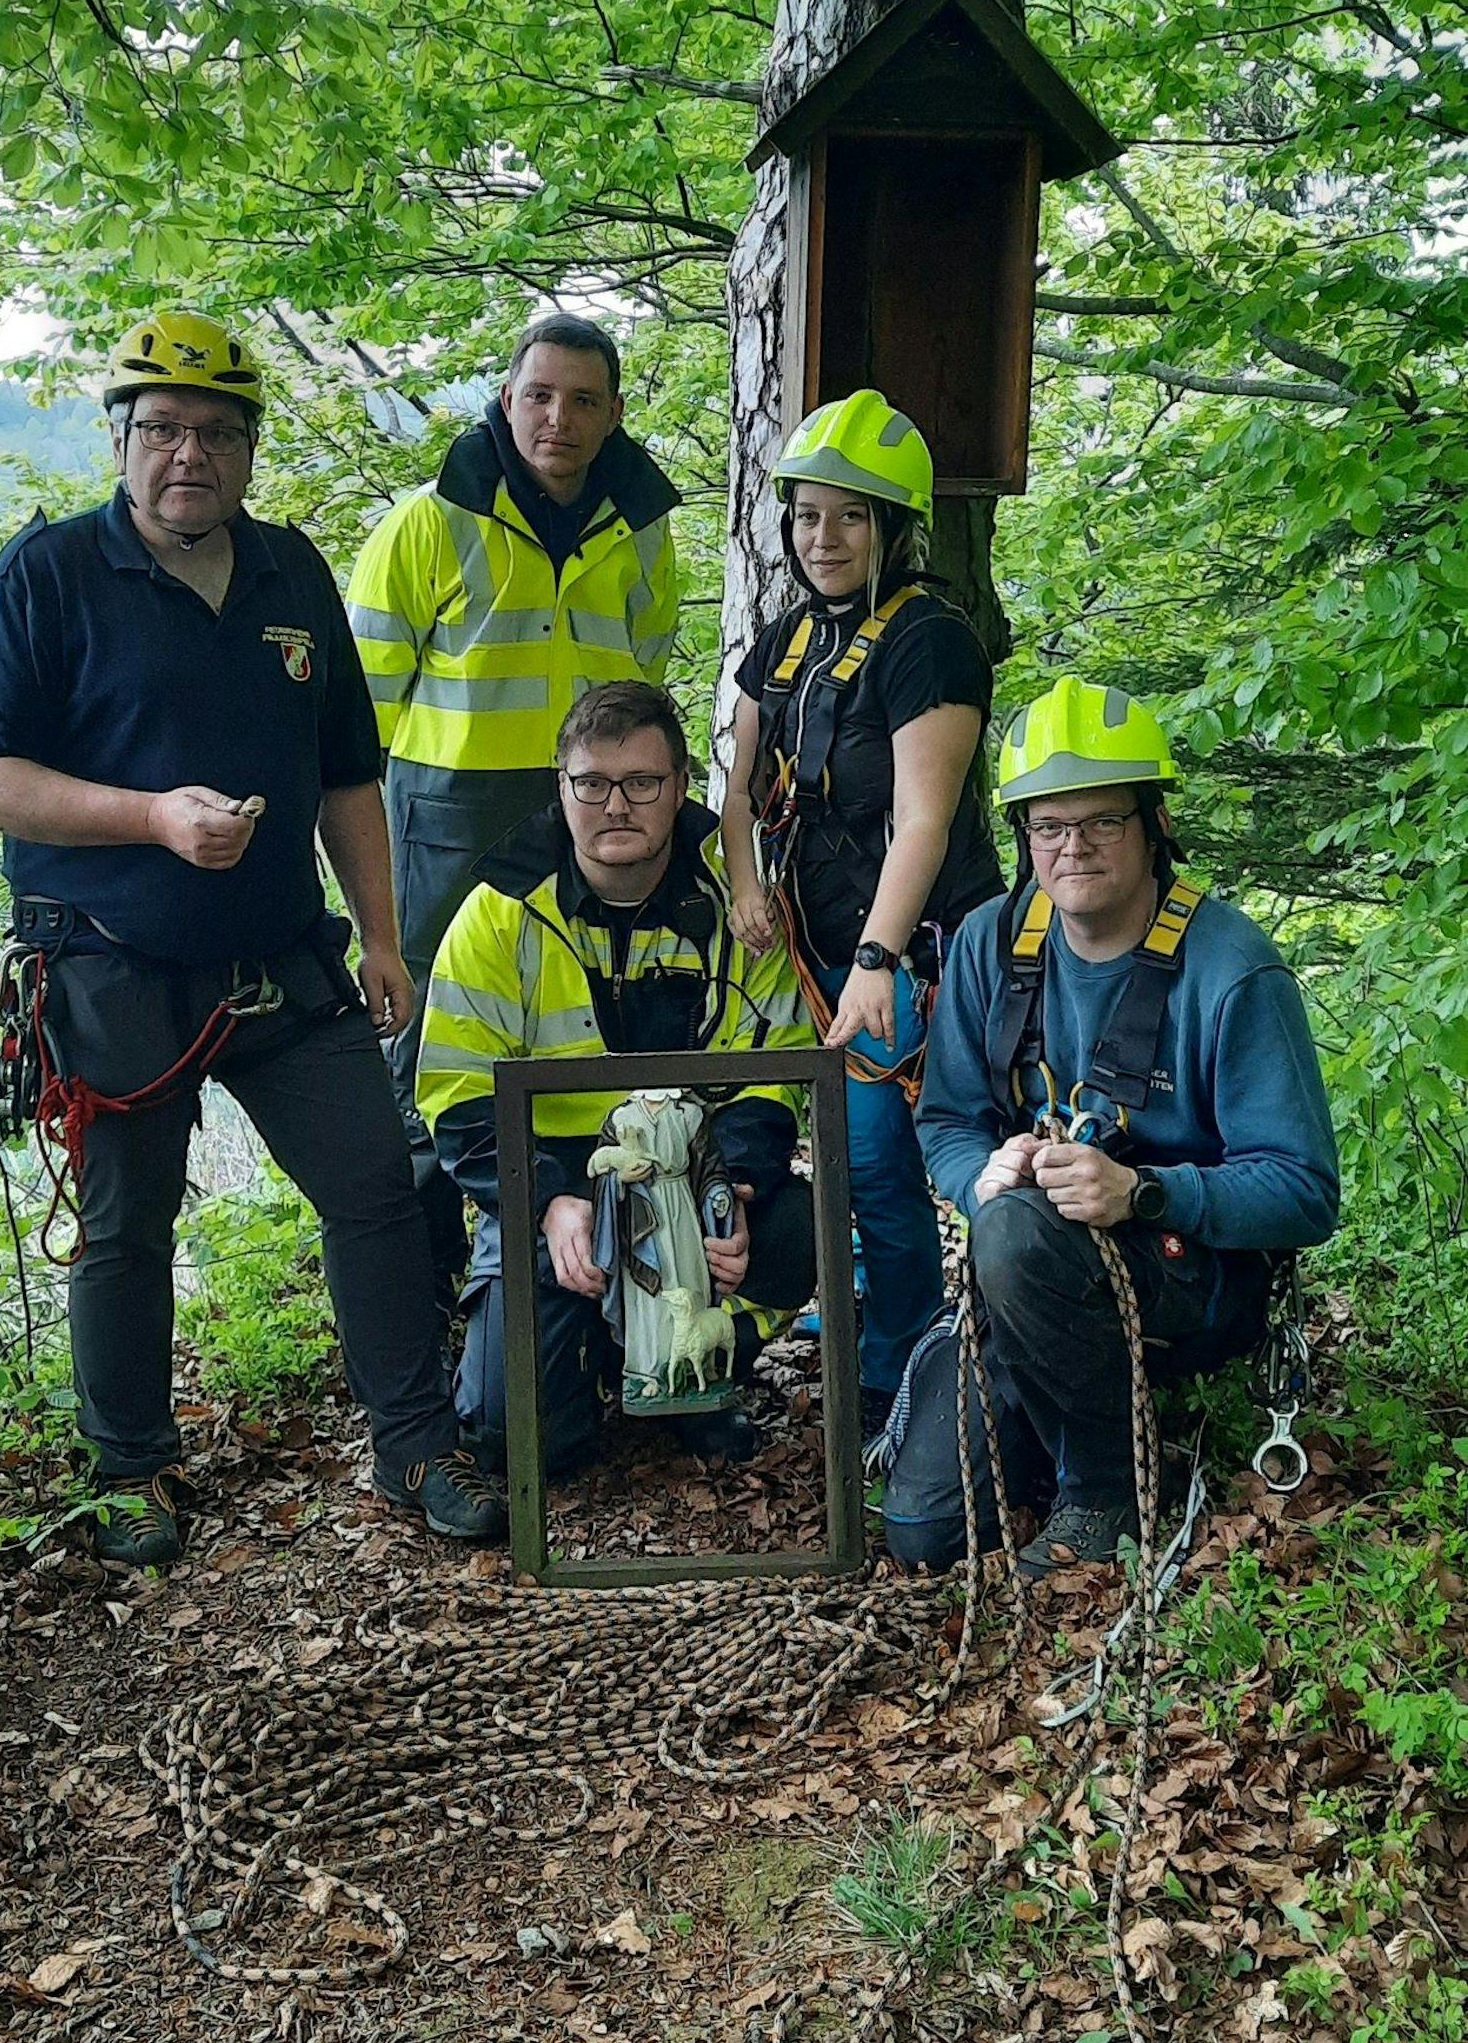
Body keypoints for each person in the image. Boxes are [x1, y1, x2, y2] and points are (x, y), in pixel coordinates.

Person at [0, 306, 504, 1566]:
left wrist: (383, 940)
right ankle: (128, 1468)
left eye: (216, 433)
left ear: (249, 449)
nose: (187, 453)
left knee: (375, 1189)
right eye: (163, 429)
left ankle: (413, 1446)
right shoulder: (48, 577)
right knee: (130, 1225)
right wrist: (147, 816)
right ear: (122, 439)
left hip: (278, 959)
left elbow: (349, 775)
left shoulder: (292, 573)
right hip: (109, 960)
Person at [874, 675, 1340, 1576]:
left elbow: (1305, 1190)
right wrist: (985, 1174)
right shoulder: (990, 944)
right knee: (923, 1531)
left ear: (1153, 822)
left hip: (1191, 1279)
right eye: (1048, 826)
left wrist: (1144, 1191)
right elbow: (948, 1122)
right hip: (1031, 1278)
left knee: (1016, 1237)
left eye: (1101, 823)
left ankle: (1108, 1485)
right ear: (1023, 836)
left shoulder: (1231, 970)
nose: (1072, 847)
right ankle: (1073, 1402)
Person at [346, 313, 681, 1291]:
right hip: (445, 821)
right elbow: (353, 720)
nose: (558, 418)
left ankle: (580, 1267)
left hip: (593, 819)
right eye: (538, 395)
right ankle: (419, 1284)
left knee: (592, 1022)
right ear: (506, 400)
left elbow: (642, 677)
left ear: (613, 413)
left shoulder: (642, 528)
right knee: (422, 1049)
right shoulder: (427, 521)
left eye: (583, 401)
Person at [416, 680, 817, 1480]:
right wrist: (548, 1201)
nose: (616, 805)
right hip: (558, 1193)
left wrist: (727, 1191)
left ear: (679, 789)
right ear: (560, 790)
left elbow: (777, 1080)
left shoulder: (741, 912)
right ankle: (596, 1350)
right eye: (591, 784)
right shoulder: (496, 914)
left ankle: (701, 1378)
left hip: (690, 1181)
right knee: (520, 1443)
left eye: (642, 783)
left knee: (801, 1223)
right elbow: (457, 1101)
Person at [720, 392, 1000, 1436]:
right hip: (824, 948)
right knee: (846, 1151)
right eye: (804, 516)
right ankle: (894, 1316)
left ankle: (902, 1370)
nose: (820, 538)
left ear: (892, 528)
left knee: (884, 1153)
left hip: (916, 949)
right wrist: (747, 885)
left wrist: (879, 957)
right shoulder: (789, 638)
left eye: (847, 517)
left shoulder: (927, 641)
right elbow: (738, 790)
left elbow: (924, 822)